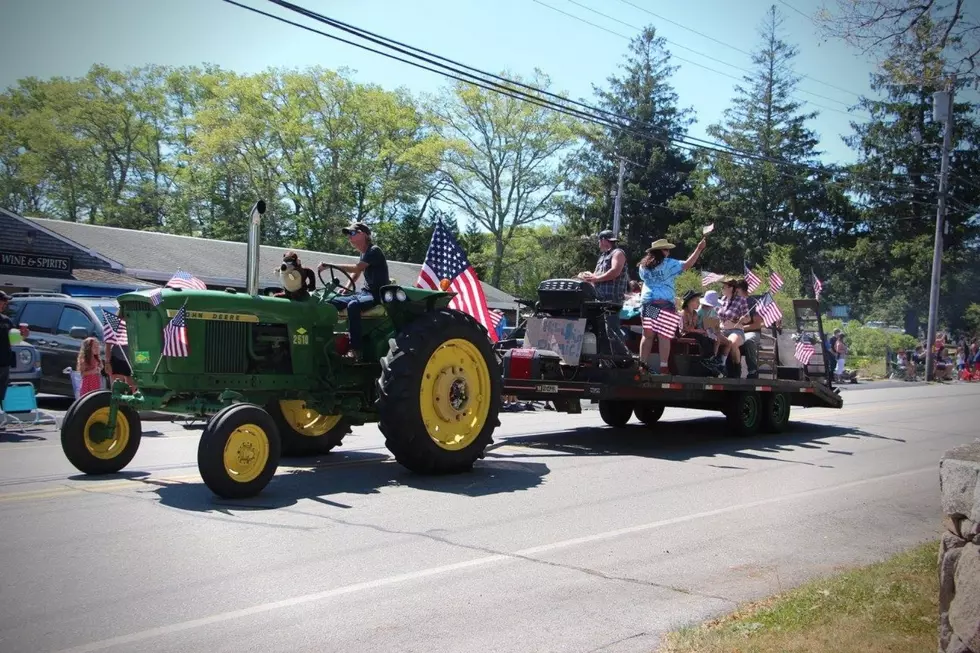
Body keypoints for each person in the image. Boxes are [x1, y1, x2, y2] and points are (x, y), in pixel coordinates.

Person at [318, 221, 389, 361]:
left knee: (353, 306)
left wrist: (329, 265)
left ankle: (356, 349)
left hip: (376, 295)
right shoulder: (364, 254)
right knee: (330, 301)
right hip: (364, 293)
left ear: (363, 234)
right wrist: (346, 288)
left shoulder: (374, 250)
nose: (349, 237)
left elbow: (357, 268)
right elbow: (356, 274)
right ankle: (325, 342)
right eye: (348, 234)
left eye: (352, 233)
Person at [636, 236, 707, 374]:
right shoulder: (668, 263)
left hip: (648, 302)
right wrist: (699, 249)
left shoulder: (643, 266)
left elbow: (644, 280)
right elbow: (687, 265)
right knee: (664, 336)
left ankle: (642, 365)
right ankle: (663, 367)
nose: (668, 252)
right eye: (667, 250)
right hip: (664, 304)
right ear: (662, 251)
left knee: (648, 335)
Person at [578, 229, 630, 355]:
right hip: (599, 299)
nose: (598, 244)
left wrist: (596, 278)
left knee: (611, 329)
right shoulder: (602, 256)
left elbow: (615, 271)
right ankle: (605, 358)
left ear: (603, 240)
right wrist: (588, 277)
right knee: (600, 331)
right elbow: (597, 275)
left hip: (612, 299)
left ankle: (623, 358)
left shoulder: (618, 253)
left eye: (599, 241)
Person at [0, 291, 31, 428]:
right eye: (3, 300)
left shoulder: (6, 320)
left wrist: (23, 335)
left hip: (5, 363)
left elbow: (14, 341)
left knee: (1, 392)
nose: (5, 303)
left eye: (6, 301)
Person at [679, 290, 724, 376]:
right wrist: (699, 331)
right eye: (697, 301)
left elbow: (696, 327)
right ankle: (708, 358)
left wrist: (704, 331)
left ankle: (710, 358)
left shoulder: (695, 314)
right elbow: (685, 329)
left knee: (709, 338)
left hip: (694, 333)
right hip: (684, 334)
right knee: (701, 337)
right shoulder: (684, 313)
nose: (699, 303)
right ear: (690, 302)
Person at [717, 277, 749, 375]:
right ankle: (718, 366)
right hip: (722, 329)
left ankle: (736, 370)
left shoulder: (741, 300)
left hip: (736, 330)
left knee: (732, 342)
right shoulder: (722, 300)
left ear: (731, 288)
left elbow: (748, 318)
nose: (722, 289)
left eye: (724, 287)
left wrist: (743, 319)